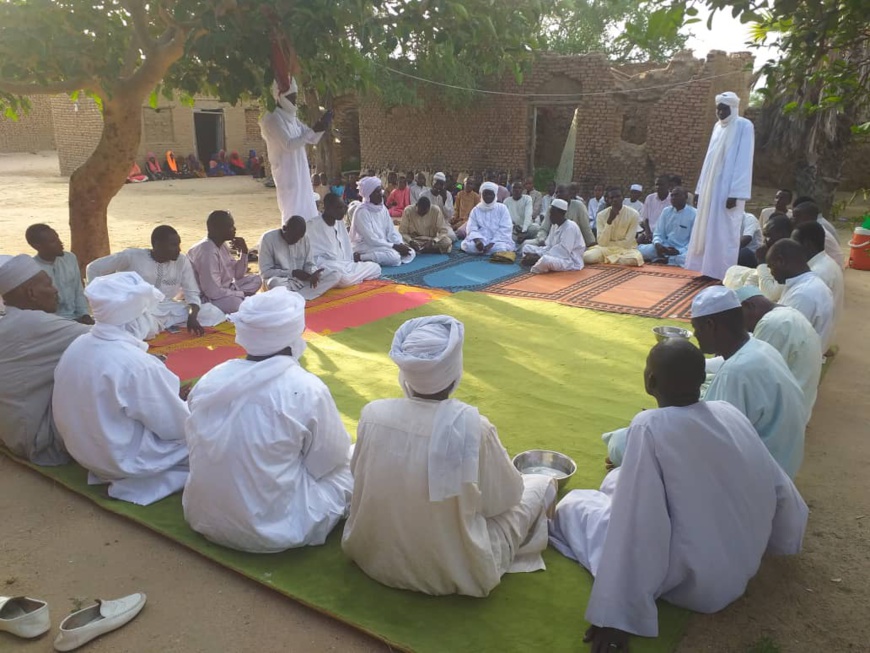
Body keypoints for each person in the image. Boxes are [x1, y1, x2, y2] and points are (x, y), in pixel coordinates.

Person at [549, 338, 808, 651]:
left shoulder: (649, 426)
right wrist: (782, 538)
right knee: (618, 479)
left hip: (698, 582)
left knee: (574, 505)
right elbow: (776, 482)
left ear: (650, 381)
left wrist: (617, 615)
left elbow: (639, 526)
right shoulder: (727, 412)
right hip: (741, 560)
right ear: (701, 380)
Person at [342, 315, 557, 597]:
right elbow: (504, 500)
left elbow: (359, 477)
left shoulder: (372, 415)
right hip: (456, 569)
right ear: (455, 371)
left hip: (373, 557)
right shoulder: (474, 427)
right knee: (540, 484)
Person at [183, 288, 353, 552]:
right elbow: (329, 461)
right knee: (352, 464)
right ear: (293, 337)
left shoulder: (212, 377)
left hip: (203, 517)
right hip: (274, 530)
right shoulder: (307, 388)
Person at [53, 272, 190, 506]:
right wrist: (189, 406)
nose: (153, 319)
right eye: (148, 313)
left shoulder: (78, 344)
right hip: (121, 460)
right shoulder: (137, 365)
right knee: (216, 440)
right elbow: (176, 429)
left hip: (86, 452)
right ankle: (136, 484)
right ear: (135, 317)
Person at [691, 286, 807, 478]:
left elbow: (717, 442)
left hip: (763, 476)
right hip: (784, 462)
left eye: (696, 328)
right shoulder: (762, 348)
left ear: (711, 325)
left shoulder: (736, 371)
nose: (695, 335)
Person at [0, 255, 91, 465]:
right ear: (31, 293)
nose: (55, 290)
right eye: (48, 284)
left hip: (11, 428)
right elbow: (107, 338)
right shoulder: (32, 323)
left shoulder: (10, 319)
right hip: (37, 439)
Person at [87, 225, 226, 338]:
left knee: (212, 312)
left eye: (178, 244)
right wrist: (101, 301)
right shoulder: (132, 256)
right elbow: (93, 268)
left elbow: (192, 294)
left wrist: (192, 317)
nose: (178, 249)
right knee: (144, 328)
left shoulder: (182, 261)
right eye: (173, 245)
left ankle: (164, 324)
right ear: (156, 244)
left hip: (168, 308)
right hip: (138, 311)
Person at [686, 92, 755, 280]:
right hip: (710, 189)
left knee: (724, 232)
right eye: (718, 109)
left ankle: (722, 273)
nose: (720, 113)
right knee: (706, 228)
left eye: (724, 109)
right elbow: (708, 160)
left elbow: (744, 161)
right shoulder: (717, 127)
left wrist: (736, 193)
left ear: (733, 108)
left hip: (728, 192)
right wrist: (700, 189)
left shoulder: (743, 125)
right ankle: (705, 269)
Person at [736, 286, 823, 411]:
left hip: (786, 411)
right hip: (797, 404)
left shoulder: (772, 323)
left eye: (738, 319)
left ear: (748, 306)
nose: (742, 327)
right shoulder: (786, 313)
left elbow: (753, 377)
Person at [259, 76, 333, 223]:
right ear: (280, 96)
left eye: (295, 97)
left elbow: (311, 138)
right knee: (292, 209)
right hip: (287, 172)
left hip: (300, 170)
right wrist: (313, 130)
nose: (294, 101)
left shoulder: (292, 117)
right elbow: (288, 144)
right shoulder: (272, 119)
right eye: (291, 97)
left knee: (306, 204)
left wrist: (322, 125)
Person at [766, 239, 835, 351]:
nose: (771, 272)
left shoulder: (803, 294)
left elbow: (782, 337)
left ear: (781, 261)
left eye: (770, 267)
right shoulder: (804, 283)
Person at [187, 210, 262, 314]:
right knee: (236, 304)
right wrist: (241, 294)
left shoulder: (221, 245)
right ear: (217, 229)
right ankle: (241, 301)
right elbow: (212, 292)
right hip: (206, 298)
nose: (235, 229)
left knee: (256, 279)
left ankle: (242, 299)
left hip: (225, 289)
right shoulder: (207, 251)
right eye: (230, 226)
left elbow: (238, 275)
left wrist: (243, 252)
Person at [307, 193, 381, 286]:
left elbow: (346, 249)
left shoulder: (339, 222)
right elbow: (310, 258)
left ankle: (352, 278)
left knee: (376, 268)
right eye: (339, 208)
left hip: (345, 265)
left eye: (343, 207)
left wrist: (349, 265)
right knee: (343, 278)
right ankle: (353, 278)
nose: (343, 211)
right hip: (326, 266)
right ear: (328, 208)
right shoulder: (312, 226)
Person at [257, 216, 340, 300]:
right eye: (293, 238)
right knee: (274, 283)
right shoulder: (268, 239)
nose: (296, 241)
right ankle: (302, 296)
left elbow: (309, 264)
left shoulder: (304, 238)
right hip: (283, 282)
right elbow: (265, 273)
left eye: (298, 239)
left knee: (335, 275)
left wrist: (313, 273)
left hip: (301, 282)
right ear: (284, 228)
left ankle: (293, 297)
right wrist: (292, 273)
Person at [26, 224, 92, 324]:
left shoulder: (70, 258)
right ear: (37, 246)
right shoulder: (32, 269)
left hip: (76, 318)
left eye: (58, 238)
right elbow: (37, 308)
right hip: (50, 323)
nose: (60, 243)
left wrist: (85, 315)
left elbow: (78, 290)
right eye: (53, 241)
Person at [793, 220, 844, 337]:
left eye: (794, 242)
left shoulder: (817, 273)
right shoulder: (825, 262)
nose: (791, 247)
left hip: (818, 337)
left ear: (807, 244)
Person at [350, 177, 416, 267]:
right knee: (394, 257)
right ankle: (361, 257)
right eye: (377, 192)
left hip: (383, 244)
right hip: (365, 246)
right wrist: (394, 246)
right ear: (369, 194)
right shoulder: (362, 212)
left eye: (380, 191)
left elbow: (391, 231)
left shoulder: (382, 209)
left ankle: (385, 256)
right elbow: (371, 239)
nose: (381, 194)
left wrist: (399, 243)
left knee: (411, 252)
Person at [520, 199, 585, 273]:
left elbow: (563, 253)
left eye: (552, 214)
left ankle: (536, 264)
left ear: (561, 214)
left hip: (569, 260)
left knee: (545, 260)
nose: (550, 216)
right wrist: (537, 254)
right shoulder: (555, 225)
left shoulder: (570, 227)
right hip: (552, 254)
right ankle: (535, 262)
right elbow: (549, 246)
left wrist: (538, 257)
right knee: (526, 247)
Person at [637, 187, 696, 266]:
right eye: (672, 196)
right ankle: (665, 259)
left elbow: (694, 241)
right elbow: (658, 233)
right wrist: (658, 244)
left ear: (685, 197)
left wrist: (679, 251)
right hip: (664, 247)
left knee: (688, 258)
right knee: (639, 251)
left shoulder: (695, 214)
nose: (673, 198)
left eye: (676, 195)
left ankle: (666, 259)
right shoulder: (666, 211)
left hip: (681, 250)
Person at [583, 188, 643, 266]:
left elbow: (628, 242)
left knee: (635, 259)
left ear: (623, 197)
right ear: (607, 199)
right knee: (587, 257)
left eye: (618, 196)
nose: (615, 200)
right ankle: (614, 259)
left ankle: (607, 259)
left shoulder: (634, 214)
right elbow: (602, 242)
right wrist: (609, 221)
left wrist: (611, 244)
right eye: (612, 198)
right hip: (606, 249)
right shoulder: (601, 215)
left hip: (625, 250)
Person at [460, 182, 515, 256]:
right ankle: (484, 250)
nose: (488, 196)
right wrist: (477, 241)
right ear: (481, 195)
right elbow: (471, 228)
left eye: (490, 194)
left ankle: (486, 250)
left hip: (497, 241)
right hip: (481, 239)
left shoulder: (502, 208)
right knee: (466, 245)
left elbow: (505, 228)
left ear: (495, 195)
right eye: (485, 194)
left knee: (501, 248)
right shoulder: (476, 209)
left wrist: (492, 244)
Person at [792, 201, 845, 268]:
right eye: (793, 217)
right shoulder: (812, 230)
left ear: (810, 218)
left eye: (797, 216)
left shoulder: (818, 233)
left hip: (830, 268)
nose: (793, 220)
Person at [639, 176, 672, 242]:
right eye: (657, 184)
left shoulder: (673, 200)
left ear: (668, 186)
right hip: (649, 232)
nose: (658, 187)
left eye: (661, 184)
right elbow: (645, 218)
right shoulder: (650, 198)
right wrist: (648, 233)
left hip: (664, 235)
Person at [504, 181, 538, 245]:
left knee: (536, 229)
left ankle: (522, 239)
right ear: (511, 190)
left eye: (519, 188)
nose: (516, 190)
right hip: (513, 229)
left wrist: (523, 231)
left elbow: (528, 216)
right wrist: (513, 226)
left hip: (526, 228)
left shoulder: (527, 199)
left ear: (522, 189)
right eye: (514, 188)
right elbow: (505, 218)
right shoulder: (506, 201)